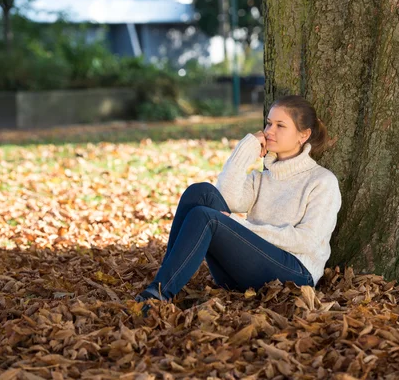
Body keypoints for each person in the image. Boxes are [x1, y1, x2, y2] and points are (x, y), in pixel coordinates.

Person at [135, 95, 342, 306]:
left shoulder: (322, 181)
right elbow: (227, 197)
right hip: (247, 270)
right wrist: (247, 148)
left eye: (281, 125)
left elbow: (307, 241)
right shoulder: (264, 178)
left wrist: (244, 227)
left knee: (206, 218)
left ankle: (156, 297)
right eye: (269, 123)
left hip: (295, 276)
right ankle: (165, 280)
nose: (269, 131)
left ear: (303, 135)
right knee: (200, 193)